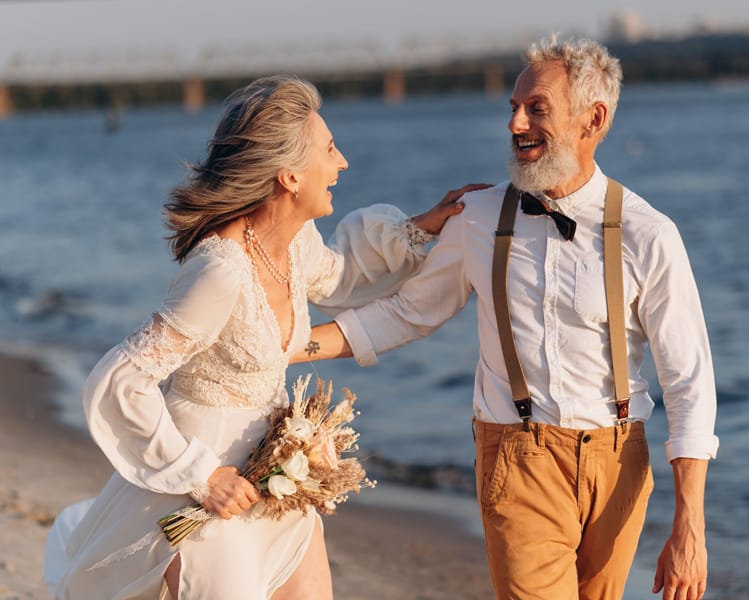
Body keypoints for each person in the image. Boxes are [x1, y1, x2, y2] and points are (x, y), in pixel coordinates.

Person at [297, 37, 718, 600]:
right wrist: (287, 344)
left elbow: (688, 380)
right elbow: (406, 313)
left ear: (593, 119)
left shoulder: (649, 234)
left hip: (620, 462)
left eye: (536, 107)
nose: (516, 122)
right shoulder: (478, 216)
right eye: (513, 108)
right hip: (517, 458)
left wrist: (690, 524)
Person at [43, 74, 485, 600]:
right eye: (329, 149)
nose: (342, 162)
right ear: (289, 176)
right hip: (208, 491)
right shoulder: (219, 273)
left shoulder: (294, 245)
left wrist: (423, 227)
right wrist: (202, 476)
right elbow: (120, 380)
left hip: (273, 478)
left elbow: (341, 277)